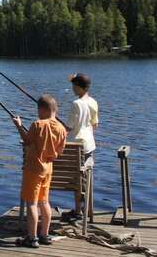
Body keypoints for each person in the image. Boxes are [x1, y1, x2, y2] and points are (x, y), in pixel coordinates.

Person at [11, 94, 67, 248]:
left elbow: (27, 141)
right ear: (55, 110)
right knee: (44, 201)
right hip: (48, 168)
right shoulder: (62, 129)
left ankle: (32, 238)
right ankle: (45, 235)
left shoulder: (37, 124)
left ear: (42, 110)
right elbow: (59, 151)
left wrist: (18, 125)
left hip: (33, 168)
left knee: (31, 203)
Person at [64, 72, 98, 220]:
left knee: (77, 178)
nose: (72, 88)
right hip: (89, 145)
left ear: (78, 87)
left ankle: (78, 211)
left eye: (73, 85)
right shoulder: (93, 102)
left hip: (76, 145)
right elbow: (94, 125)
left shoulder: (75, 104)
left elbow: (69, 127)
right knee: (86, 176)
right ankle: (87, 210)